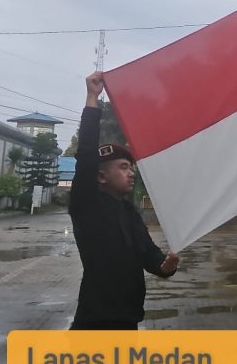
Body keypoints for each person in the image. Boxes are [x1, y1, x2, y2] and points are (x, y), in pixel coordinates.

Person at [69, 71, 179, 330]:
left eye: (131, 167)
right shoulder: (88, 205)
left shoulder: (130, 213)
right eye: (122, 167)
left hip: (128, 321)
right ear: (100, 176)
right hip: (95, 324)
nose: (131, 173)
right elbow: (85, 155)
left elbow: (149, 255)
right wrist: (92, 97)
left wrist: (166, 266)